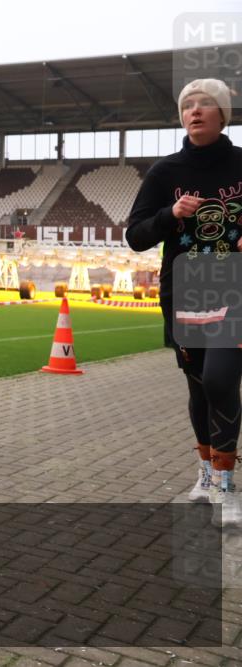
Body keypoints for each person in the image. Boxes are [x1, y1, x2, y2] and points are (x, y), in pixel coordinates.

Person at [127, 78, 242, 527]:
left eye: (205, 104)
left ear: (223, 115)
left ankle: (227, 486)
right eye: (187, 105)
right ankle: (208, 472)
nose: (194, 111)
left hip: (234, 284)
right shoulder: (165, 173)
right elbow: (135, 236)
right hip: (187, 288)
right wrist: (169, 214)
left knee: (219, 380)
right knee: (198, 386)